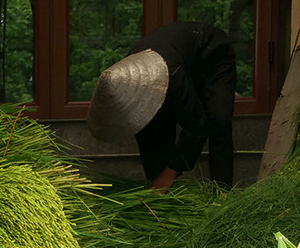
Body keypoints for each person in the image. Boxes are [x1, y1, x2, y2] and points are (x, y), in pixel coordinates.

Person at [87, 21, 237, 191]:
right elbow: (146, 135)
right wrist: (155, 180)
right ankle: (166, 196)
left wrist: (168, 174)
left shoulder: (172, 76)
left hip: (213, 57)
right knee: (153, 126)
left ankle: (223, 193)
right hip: (177, 60)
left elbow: (197, 127)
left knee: (218, 120)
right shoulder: (126, 75)